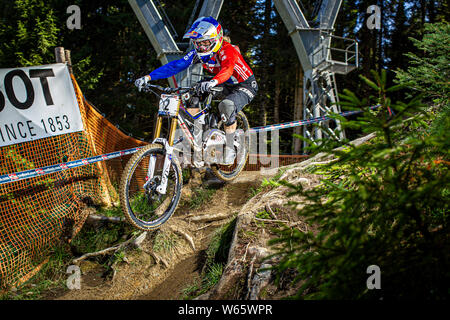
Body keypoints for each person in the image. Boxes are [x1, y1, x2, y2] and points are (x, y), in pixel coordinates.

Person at [135, 16, 258, 165]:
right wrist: (148, 77)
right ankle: (197, 138)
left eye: (205, 43)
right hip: (221, 83)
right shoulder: (198, 54)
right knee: (190, 94)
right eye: (198, 44)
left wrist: (213, 81)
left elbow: (228, 70)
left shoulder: (227, 50)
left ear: (216, 39)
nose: (202, 48)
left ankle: (231, 147)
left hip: (244, 85)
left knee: (226, 105)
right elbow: (176, 66)